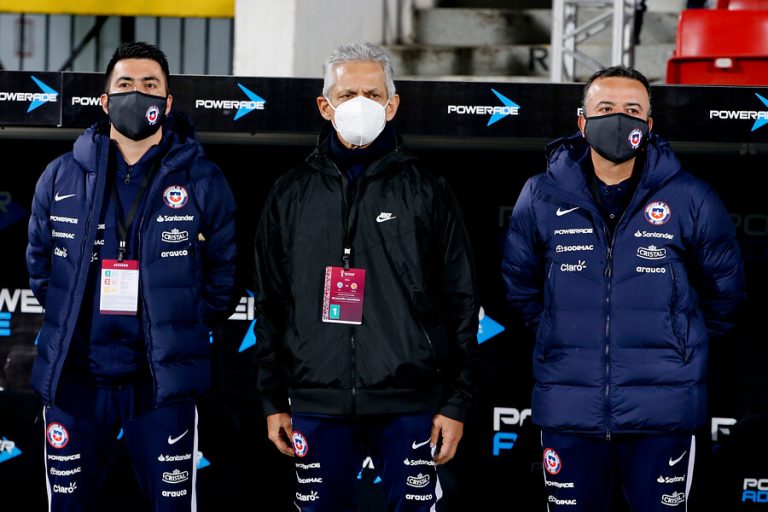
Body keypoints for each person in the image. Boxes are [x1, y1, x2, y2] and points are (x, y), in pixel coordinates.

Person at [502, 65, 745, 512]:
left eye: (632, 110)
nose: (619, 118)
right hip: (569, 409)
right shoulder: (540, 194)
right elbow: (520, 285)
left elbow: (725, 293)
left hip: (663, 411)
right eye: (606, 108)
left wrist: (679, 345)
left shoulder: (689, 196)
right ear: (582, 121)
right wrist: (559, 332)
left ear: (648, 125)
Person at [251, 42, 479, 511]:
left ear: (392, 105)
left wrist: (455, 401)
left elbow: (460, 300)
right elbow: (271, 302)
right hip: (316, 402)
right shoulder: (290, 193)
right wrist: (273, 398)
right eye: (348, 92)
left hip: (410, 403)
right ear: (325, 105)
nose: (360, 104)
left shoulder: (428, 191)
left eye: (373, 94)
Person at [26, 41, 238, 511]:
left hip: (159, 386)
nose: (136, 94)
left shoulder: (203, 180)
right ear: (104, 100)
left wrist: (185, 320)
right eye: (124, 85)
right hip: (76, 382)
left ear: (167, 103)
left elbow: (224, 277)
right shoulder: (60, 176)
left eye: (149, 85)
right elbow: (41, 270)